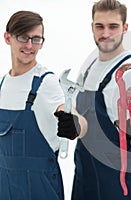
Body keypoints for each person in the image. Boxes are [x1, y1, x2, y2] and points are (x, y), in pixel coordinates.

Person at [71, 0, 131, 199]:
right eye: (100, 26)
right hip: (84, 172)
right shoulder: (89, 66)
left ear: (125, 28)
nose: (106, 33)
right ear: (92, 27)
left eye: (113, 27)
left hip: (117, 180)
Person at [0, 10, 87, 200]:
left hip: (40, 190)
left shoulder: (45, 82)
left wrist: (74, 124)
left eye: (36, 39)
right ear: (8, 38)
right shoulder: (2, 84)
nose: (30, 45)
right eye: (23, 37)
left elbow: (74, 116)